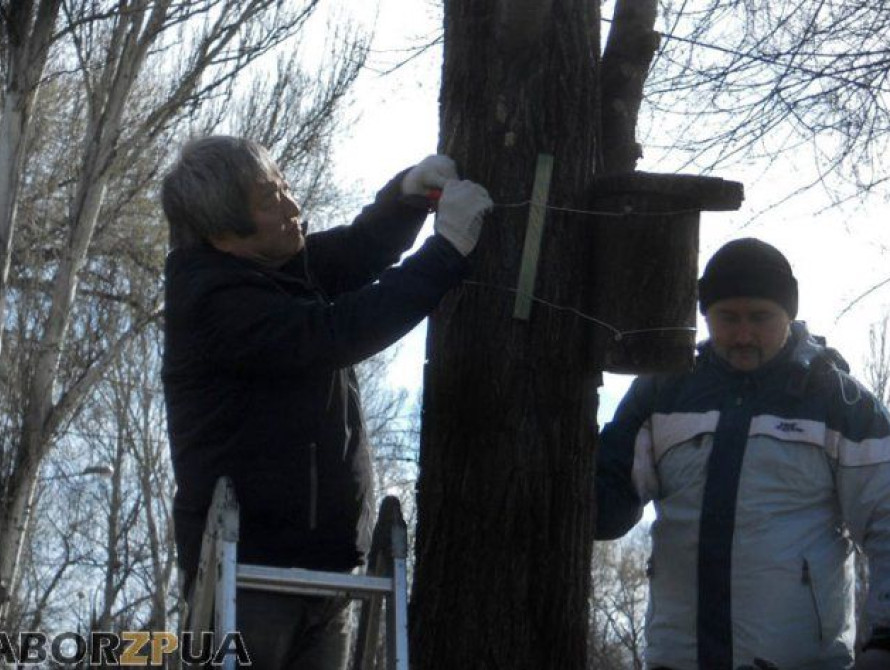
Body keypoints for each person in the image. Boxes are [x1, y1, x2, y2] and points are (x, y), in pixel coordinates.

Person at [160, 136, 492, 669]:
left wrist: (406, 197)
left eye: (284, 187)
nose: (293, 206)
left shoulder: (275, 267)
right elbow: (336, 331)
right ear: (223, 234)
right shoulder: (214, 304)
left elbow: (355, 250)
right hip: (246, 579)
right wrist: (447, 252)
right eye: (269, 200)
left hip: (325, 573)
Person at [595, 238, 890, 670]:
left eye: (761, 317)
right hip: (677, 659)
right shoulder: (662, 390)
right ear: (705, 316)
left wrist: (884, 642)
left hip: (801, 662)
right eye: (727, 318)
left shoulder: (840, 402)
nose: (743, 334)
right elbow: (607, 510)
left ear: (788, 314)